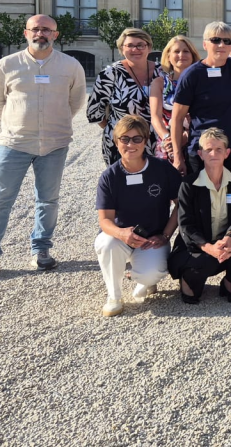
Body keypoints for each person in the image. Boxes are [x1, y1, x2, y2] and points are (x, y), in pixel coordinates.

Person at [0, 15, 87, 281]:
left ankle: (41, 251)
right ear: (26, 32)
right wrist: (17, 124)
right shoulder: (7, 65)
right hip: (14, 144)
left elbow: (75, 101)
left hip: (55, 143)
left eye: (46, 29)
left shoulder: (71, 66)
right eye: (36, 28)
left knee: (48, 200)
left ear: (56, 35)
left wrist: (54, 124)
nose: (40, 33)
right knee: (0, 201)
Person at [93, 115, 180, 316]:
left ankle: (144, 281)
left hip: (152, 238)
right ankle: (114, 296)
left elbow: (180, 206)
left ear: (146, 141)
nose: (130, 144)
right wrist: (122, 234)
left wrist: (165, 235)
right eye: (124, 139)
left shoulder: (162, 169)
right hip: (120, 237)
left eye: (136, 139)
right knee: (107, 244)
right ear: (116, 142)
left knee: (151, 273)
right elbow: (104, 220)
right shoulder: (110, 176)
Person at [168, 127, 231, 305]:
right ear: (200, 154)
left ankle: (230, 284)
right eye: (208, 149)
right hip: (197, 247)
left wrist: (229, 238)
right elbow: (186, 226)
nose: (213, 153)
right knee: (206, 266)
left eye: (219, 149)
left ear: (227, 153)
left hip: (223, 243)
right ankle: (187, 281)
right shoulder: (189, 185)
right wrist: (209, 248)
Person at [170, 22, 231, 179]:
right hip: (202, 151)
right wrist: (178, 157)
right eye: (216, 40)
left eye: (227, 41)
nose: (222, 45)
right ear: (205, 44)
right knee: (202, 201)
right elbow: (177, 118)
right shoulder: (192, 75)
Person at [87, 27, 161, 164]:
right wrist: (119, 130)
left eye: (140, 45)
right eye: (130, 45)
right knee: (123, 184)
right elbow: (94, 111)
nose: (135, 49)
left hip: (158, 144)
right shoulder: (110, 74)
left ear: (149, 47)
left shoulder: (162, 71)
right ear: (122, 48)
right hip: (123, 144)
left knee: (157, 184)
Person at [149, 35, 199, 161]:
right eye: (176, 51)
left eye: (186, 51)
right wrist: (167, 138)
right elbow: (155, 116)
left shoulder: (202, 82)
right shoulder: (159, 83)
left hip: (196, 141)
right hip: (167, 145)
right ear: (168, 57)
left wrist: (185, 137)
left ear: (193, 56)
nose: (181, 54)